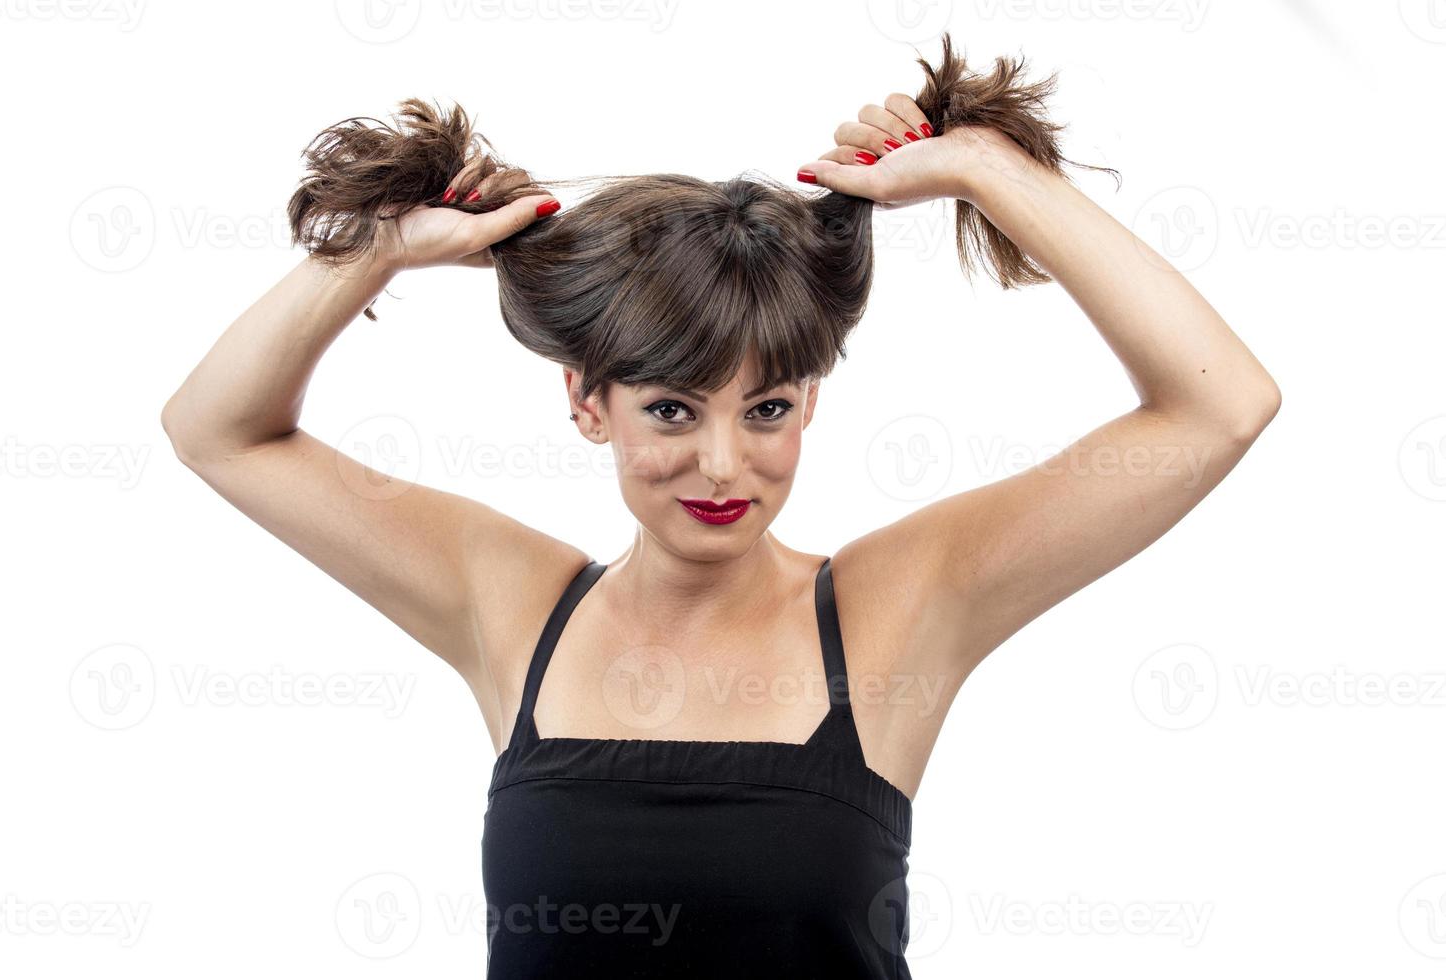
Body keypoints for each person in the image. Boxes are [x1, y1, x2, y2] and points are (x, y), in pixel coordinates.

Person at [161, 33, 1280, 978]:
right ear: (586, 402)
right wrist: (383, 250)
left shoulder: (899, 605)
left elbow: (1216, 406)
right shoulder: (509, 604)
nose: (722, 465)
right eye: (670, 411)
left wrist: (988, 171)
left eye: (768, 407)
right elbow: (218, 427)